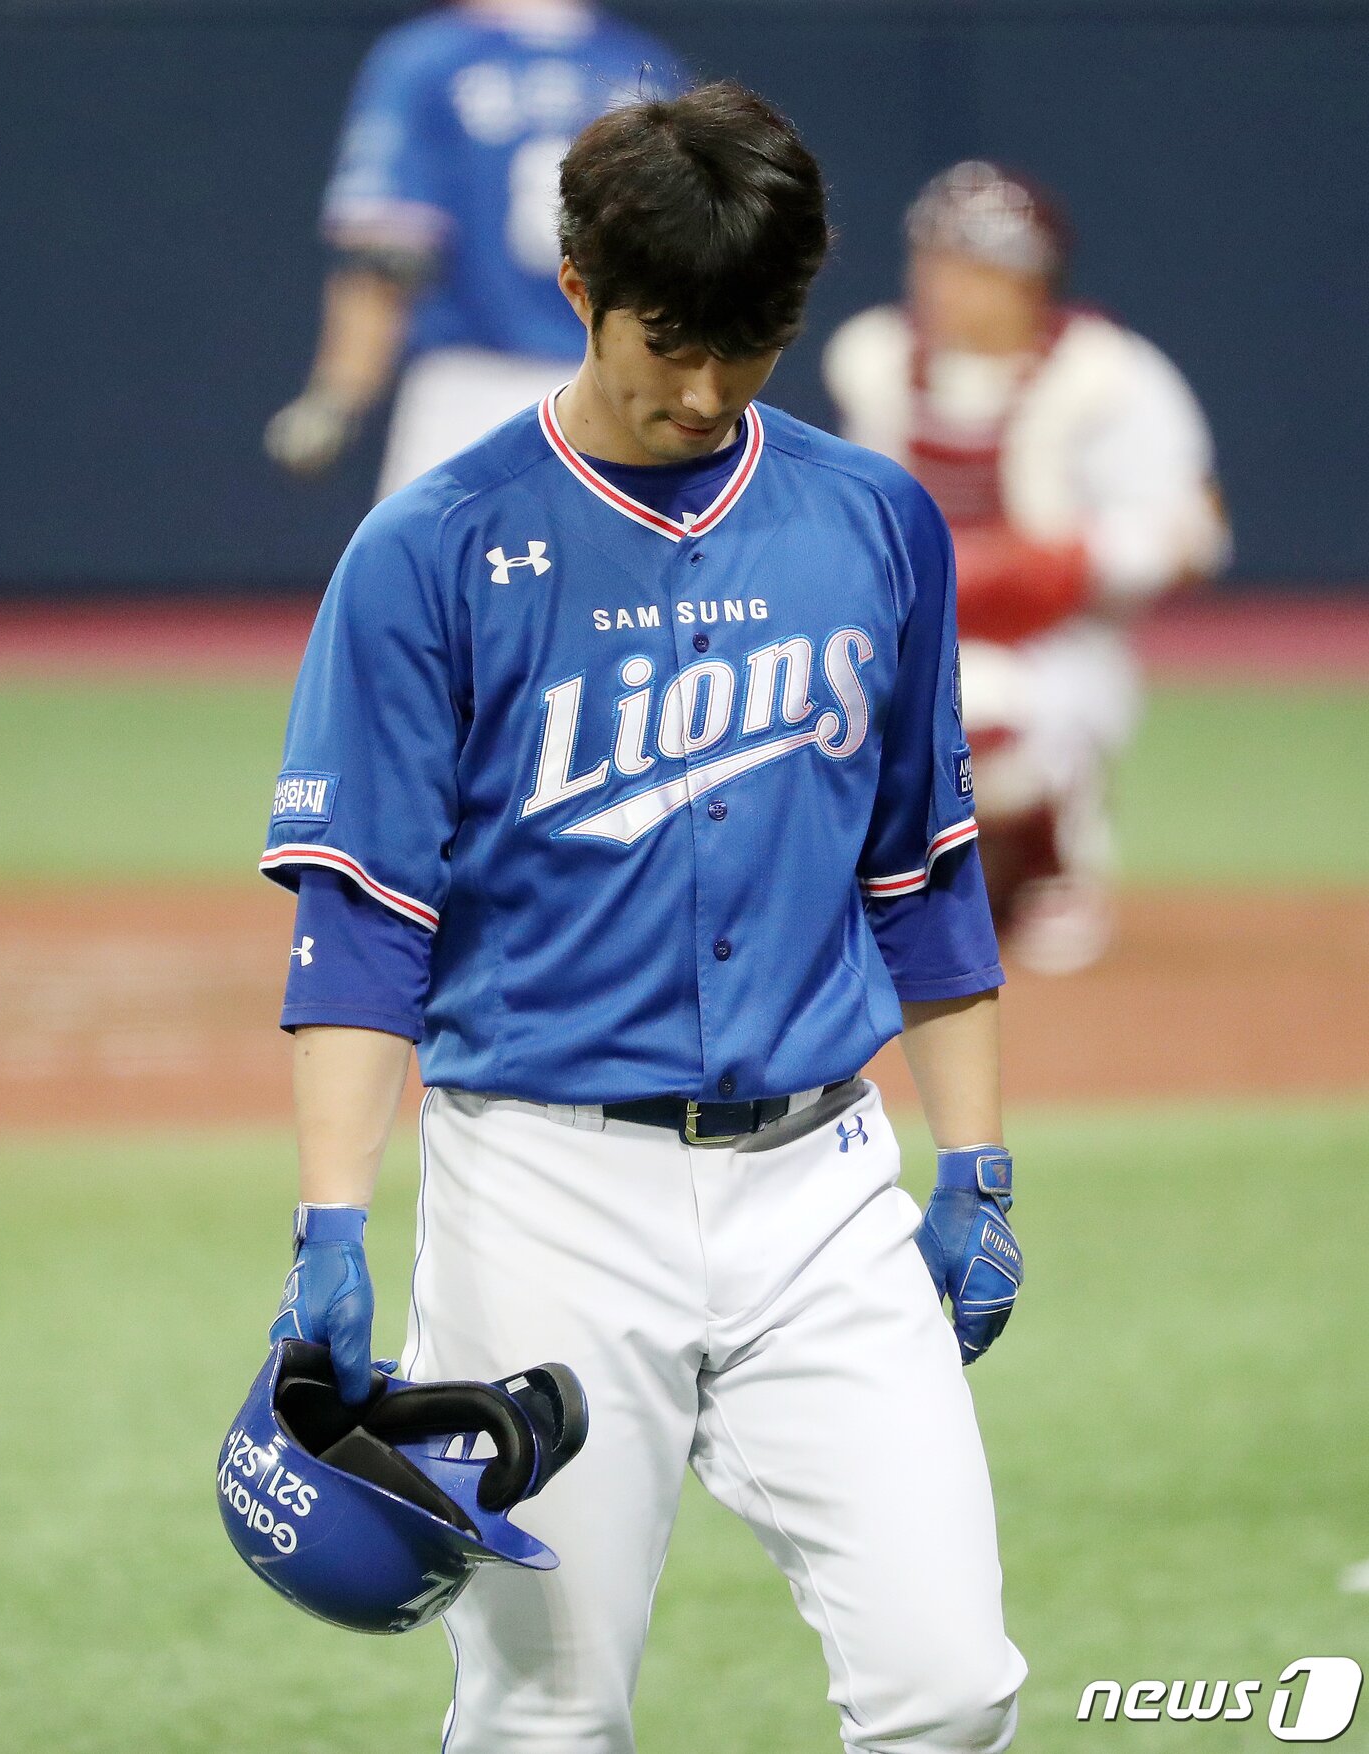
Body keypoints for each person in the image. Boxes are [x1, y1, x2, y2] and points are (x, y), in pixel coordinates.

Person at [261, 84, 1028, 1754]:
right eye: (666, 338)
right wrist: (333, 1223)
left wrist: (974, 1161)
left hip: (822, 1188)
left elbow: (927, 870)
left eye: (746, 344)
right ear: (577, 288)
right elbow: (363, 919)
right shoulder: (434, 550)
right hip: (543, 1189)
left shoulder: (873, 520)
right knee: (547, 1711)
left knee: (951, 1683)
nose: (701, 390)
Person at [824, 161, 1229, 972]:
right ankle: (898, 884)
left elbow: (1196, 534)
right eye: (934, 260)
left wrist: (1051, 562)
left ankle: (1051, 864)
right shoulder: (874, 356)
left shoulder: (1106, 373)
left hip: (1058, 649)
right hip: (911, 636)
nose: (943, 285)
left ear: (1028, 279)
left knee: (988, 713)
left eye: (972, 267)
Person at [264, 0, 680, 498]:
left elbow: (389, 257)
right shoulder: (644, 68)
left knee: (428, 575)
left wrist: (336, 396)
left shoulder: (427, 59)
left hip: (465, 397)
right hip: (616, 396)